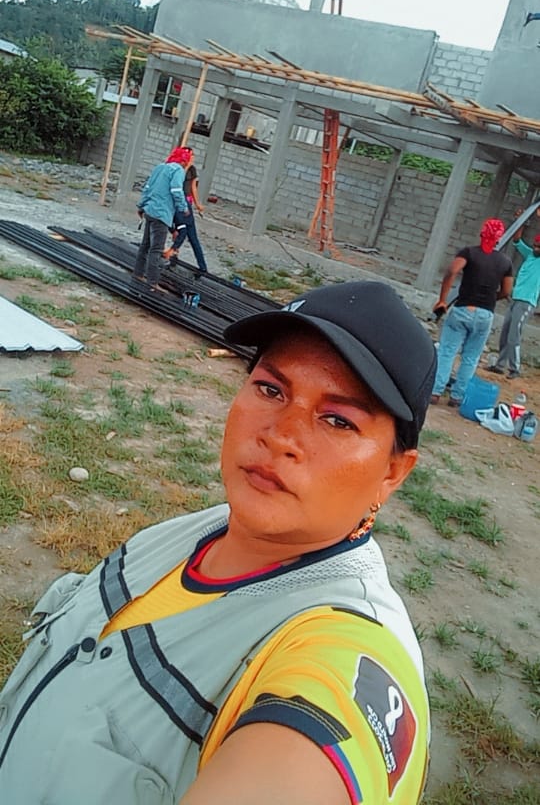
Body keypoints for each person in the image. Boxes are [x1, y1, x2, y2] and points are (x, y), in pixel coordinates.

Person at [0, 281, 436, 805]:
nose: (280, 435)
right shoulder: (196, 533)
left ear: (392, 472)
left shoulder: (345, 647)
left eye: (338, 420)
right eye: (271, 390)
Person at [430, 218, 513, 407]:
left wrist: (443, 299)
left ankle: (435, 392)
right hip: (485, 314)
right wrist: (491, 299)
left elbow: (452, 271)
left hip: (462, 309)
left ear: (482, 233)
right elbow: (507, 291)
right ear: (499, 238)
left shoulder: (469, 252)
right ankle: (457, 397)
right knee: (471, 357)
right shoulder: (505, 262)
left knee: (447, 351)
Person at [488, 212, 540, 379]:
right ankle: (500, 365)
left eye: (539, 247)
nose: (536, 249)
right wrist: (521, 221)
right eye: (535, 245)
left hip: (527, 302)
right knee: (505, 332)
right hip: (515, 299)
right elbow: (517, 240)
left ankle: (514, 368)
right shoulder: (530, 255)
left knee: (514, 334)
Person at [131, 147, 190, 291]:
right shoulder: (178, 171)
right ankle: (152, 282)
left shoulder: (160, 167)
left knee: (145, 245)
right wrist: (183, 207)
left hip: (150, 211)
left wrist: (141, 206)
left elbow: (148, 187)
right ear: (183, 162)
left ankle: (138, 273)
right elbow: (176, 190)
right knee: (156, 249)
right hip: (162, 214)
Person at [163, 146, 208, 276]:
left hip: (186, 203)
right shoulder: (178, 168)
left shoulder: (192, 170)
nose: (192, 158)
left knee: (190, 235)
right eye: (190, 155)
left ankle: (202, 266)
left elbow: (193, 187)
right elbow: (176, 182)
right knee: (179, 231)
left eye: (192, 155)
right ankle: (173, 256)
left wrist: (198, 204)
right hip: (177, 202)